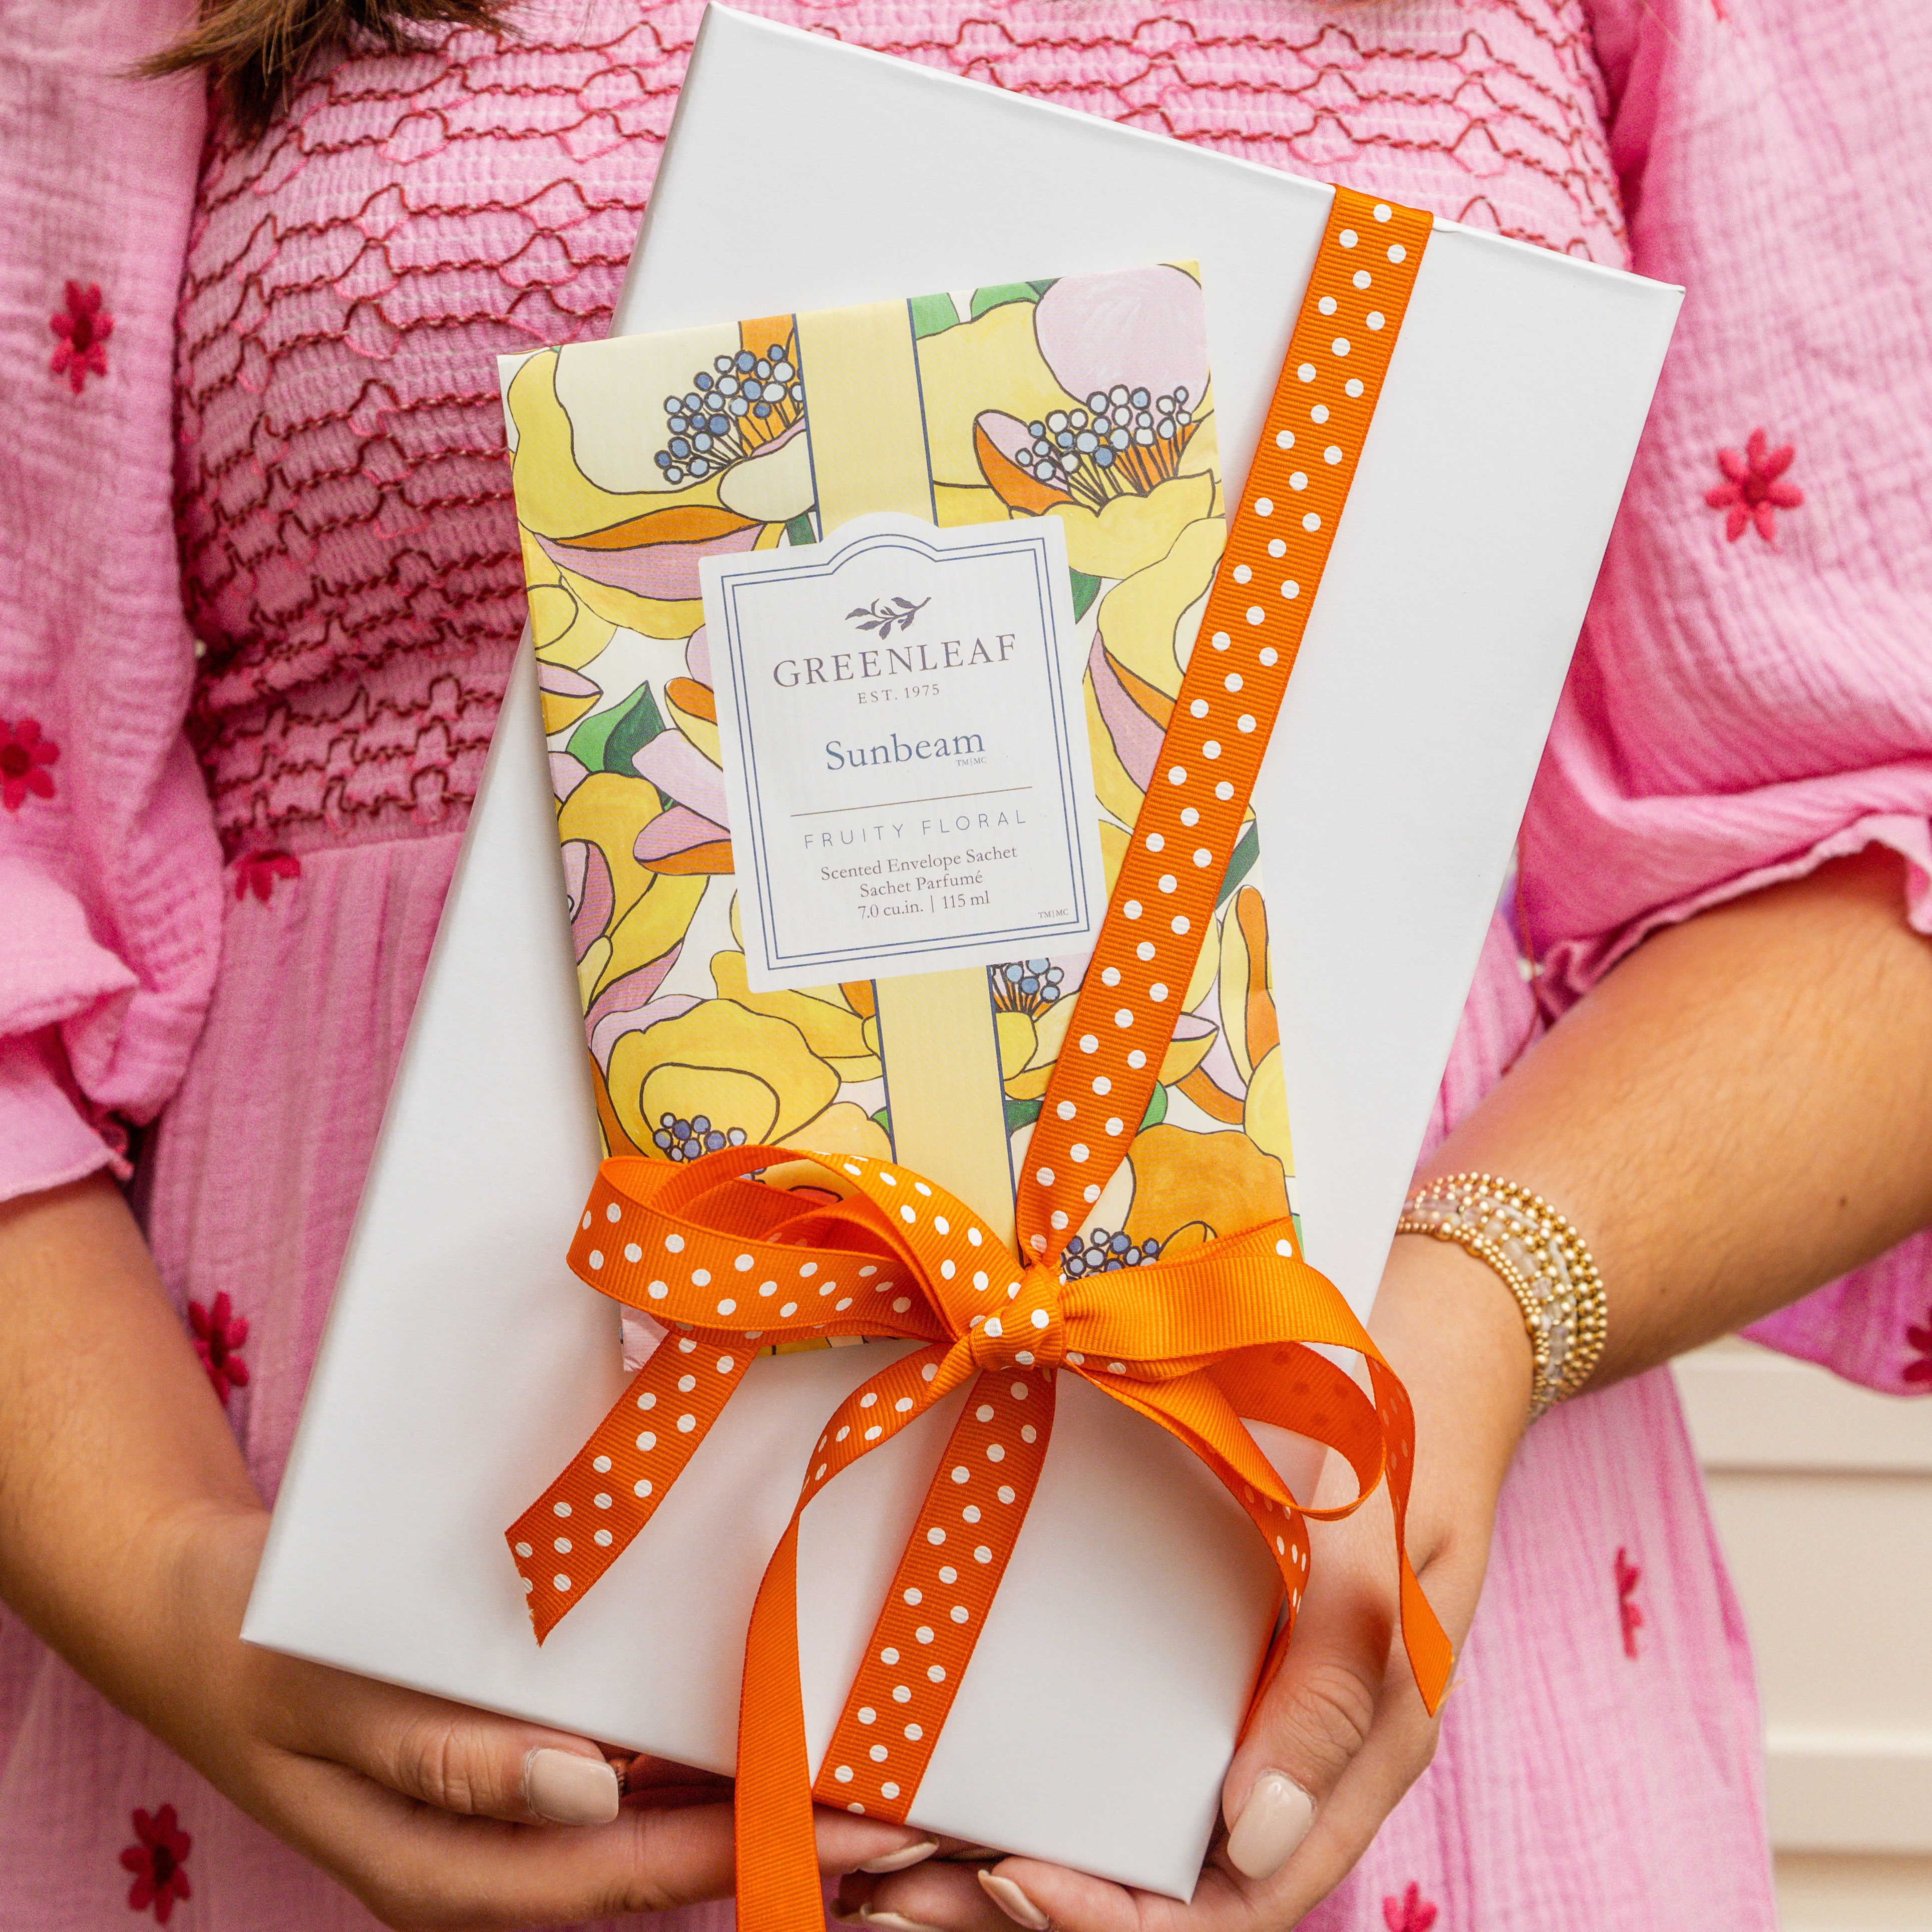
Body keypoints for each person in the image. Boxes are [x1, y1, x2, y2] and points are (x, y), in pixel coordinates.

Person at [3, 0, 1927, 1927]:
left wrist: (1473, 1315)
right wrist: (164, 1573)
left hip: (1329, 1663)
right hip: (330, 1726)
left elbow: (1877, 818)